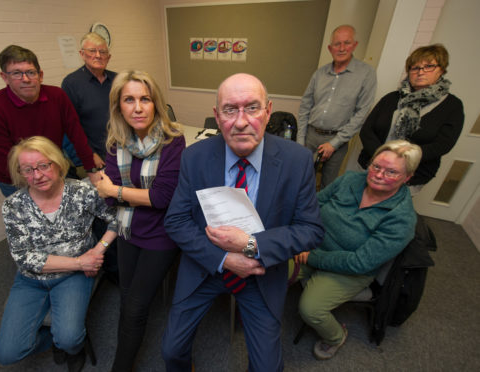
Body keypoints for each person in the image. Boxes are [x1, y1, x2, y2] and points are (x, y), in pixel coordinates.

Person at [161, 73, 324, 372]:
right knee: (171, 351)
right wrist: (224, 258)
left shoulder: (297, 160)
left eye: (252, 107)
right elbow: (177, 221)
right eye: (229, 110)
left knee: (268, 368)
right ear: (216, 115)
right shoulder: (194, 157)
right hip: (206, 265)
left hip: (262, 270)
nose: (240, 122)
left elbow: (311, 230)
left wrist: (250, 245)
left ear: (268, 110)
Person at [289, 140, 421, 360]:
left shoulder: (402, 219)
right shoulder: (351, 179)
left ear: (408, 177)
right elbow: (314, 204)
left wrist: (313, 257)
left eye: (391, 172)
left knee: (310, 309)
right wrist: (301, 236)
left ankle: (336, 336)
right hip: (312, 246)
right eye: (376, 166)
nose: (379, 175)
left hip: (349, 270)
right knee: (267, 266)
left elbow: (360, 262)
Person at [0, 136, 118, 372]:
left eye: (44, 165)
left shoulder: (82, 191)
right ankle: (54, 340)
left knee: (70, 340)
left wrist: (97, 250)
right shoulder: (13, 205)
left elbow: (116, 220)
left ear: (58, 163)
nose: (37, 175)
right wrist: (80, 262)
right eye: (28, 170)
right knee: (7, 353)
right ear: (20, 173)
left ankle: (71, 347)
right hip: (32, 279)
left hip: (74, 277)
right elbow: (23, 257)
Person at [94, 70, 185, 371]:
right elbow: (107, 199)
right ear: (118, 106)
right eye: (129, 100)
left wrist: (116, 190)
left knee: (135, 307)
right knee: (126, 298)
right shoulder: (114, 142)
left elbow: (162, 198)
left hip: (161, 235)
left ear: (156, 103)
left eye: (145, 99)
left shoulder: (173, 141)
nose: (137, 107)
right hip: (127, 229)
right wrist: (123, 194)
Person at [0, 45, 100, 197]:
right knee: (42, 217)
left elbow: (77, 135)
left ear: (40, 75)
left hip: (53, 166)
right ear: (5, 77)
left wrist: (91, 169)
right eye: (17, 73)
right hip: (16, 178)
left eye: (30, 72)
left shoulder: (57, 96)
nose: (26, 79)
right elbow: (5, 157)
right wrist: (40, 183)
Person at [358, 44, 464, 193]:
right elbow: (367, 130)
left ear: (441, 69)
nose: (420, 72)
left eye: (428, 66)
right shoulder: (391, 98)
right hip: (372, 166)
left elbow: (443, 144)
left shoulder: (452, 106)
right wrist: (382, 158)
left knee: (388, 212)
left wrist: (402, 162)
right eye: (415, 68)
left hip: (412, 176)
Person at [297, 24, 376, 189]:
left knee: (328, 185)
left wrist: (334, 143)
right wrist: (300, 139)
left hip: (337, 139)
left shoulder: (366, 74)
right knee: (302, 180)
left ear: (354, 45)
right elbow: (305, 106)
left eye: (346, 43)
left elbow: (362, 113)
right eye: (337, 44)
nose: (341, 48)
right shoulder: (319, 73)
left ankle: (322, 214)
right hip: (310, 135)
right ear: (330, 48)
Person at [62, 32, 117, 167]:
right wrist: (90, 154)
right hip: (94, 156)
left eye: (103, 52)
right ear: (82, 54)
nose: (98, 55)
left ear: (108, 57)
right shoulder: (71, 83)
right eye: (92, 51)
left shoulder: (117, 80)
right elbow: (69, 126)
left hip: (121, 150)